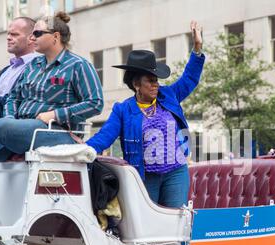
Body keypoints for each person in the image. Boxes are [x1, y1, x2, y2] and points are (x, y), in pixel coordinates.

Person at [86, 21, 205, 208]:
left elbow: (189, 78)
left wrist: (197, 49)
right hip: (144, 175)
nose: (155, 84)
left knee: (176, 221)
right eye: (150, 81)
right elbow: (104, 137)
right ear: (136, 84)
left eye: (156, 80)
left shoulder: (169, 95)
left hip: (176, 172)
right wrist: (84, 150)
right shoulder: (123, 110)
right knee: (149, 227)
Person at [0, 12, 104, 170]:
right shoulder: (33, 65)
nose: (32, 38)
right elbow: (13, 98)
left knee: (0, 128)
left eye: (37, 33)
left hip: (56, 131)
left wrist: (55, 114)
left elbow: (95, 103)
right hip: (24, 129)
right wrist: (10, 121)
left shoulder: (78, 65)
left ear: (55, 36)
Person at [0, 17, 39, 123]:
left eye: (14, 34)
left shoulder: (37, 68)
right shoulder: (6, 70)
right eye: (8, 34)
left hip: (8, 131)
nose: (8, 38)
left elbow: (17, 108)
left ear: (31, 38)